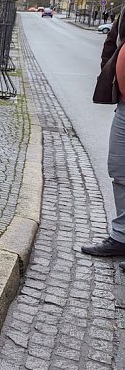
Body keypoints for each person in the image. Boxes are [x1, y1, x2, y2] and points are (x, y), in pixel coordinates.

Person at [82, 13, 125, 259]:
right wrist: (110, 71)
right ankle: (121, 237)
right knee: (119, 170)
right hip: (124, 105)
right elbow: (112, 39)